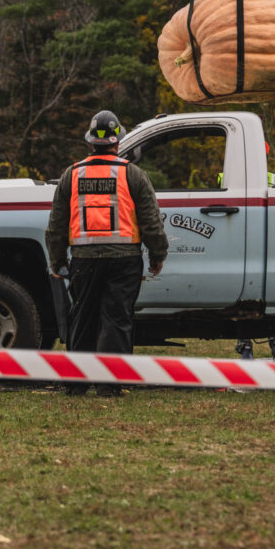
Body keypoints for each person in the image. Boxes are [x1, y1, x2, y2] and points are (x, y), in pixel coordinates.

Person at [45, 110, 168, 395]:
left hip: (84, 261)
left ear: (91, 142)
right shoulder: (133, 174)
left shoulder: (72, 175)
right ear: (117, 141)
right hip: (124, 261)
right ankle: (109, 386)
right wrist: (158, 254)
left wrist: (57, 259)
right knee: (116, 320)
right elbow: (151, 220)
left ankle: (76, 385)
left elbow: (57, 223)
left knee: (82, 318)